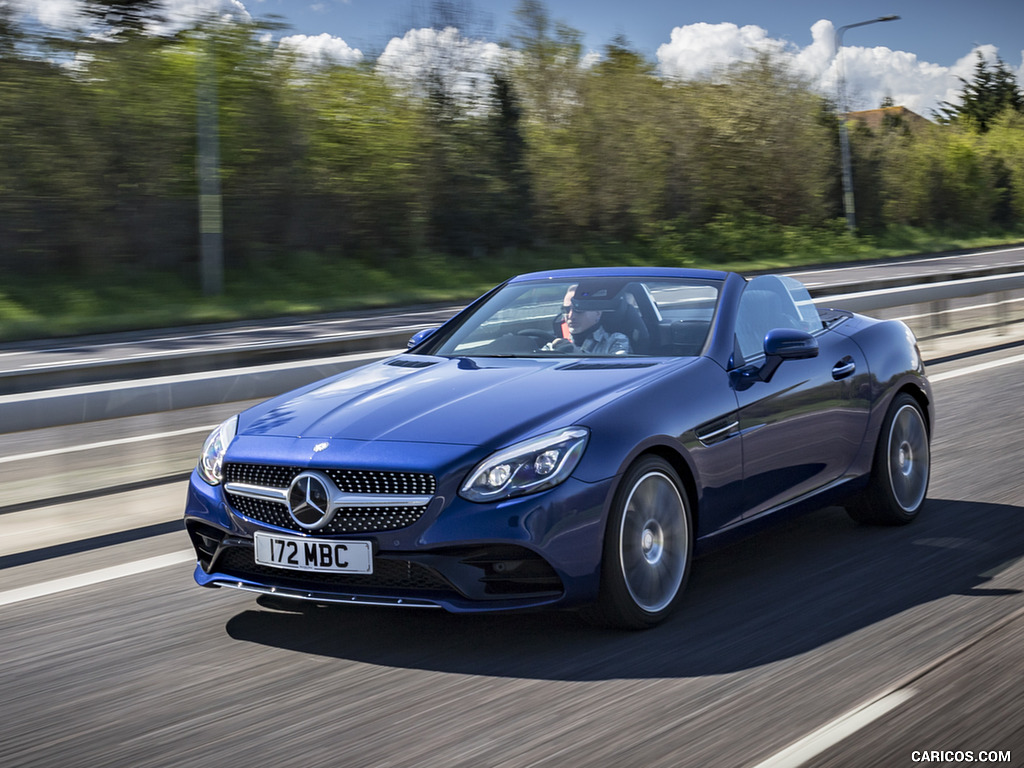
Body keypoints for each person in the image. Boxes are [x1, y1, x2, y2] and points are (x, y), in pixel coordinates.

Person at [543, 285, 631, 355]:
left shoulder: (615, 340)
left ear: (598, 312)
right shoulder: (556, 343)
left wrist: (575, 353)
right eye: (566, 310)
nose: (570, 316)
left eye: (579, 309)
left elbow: (618, 370)